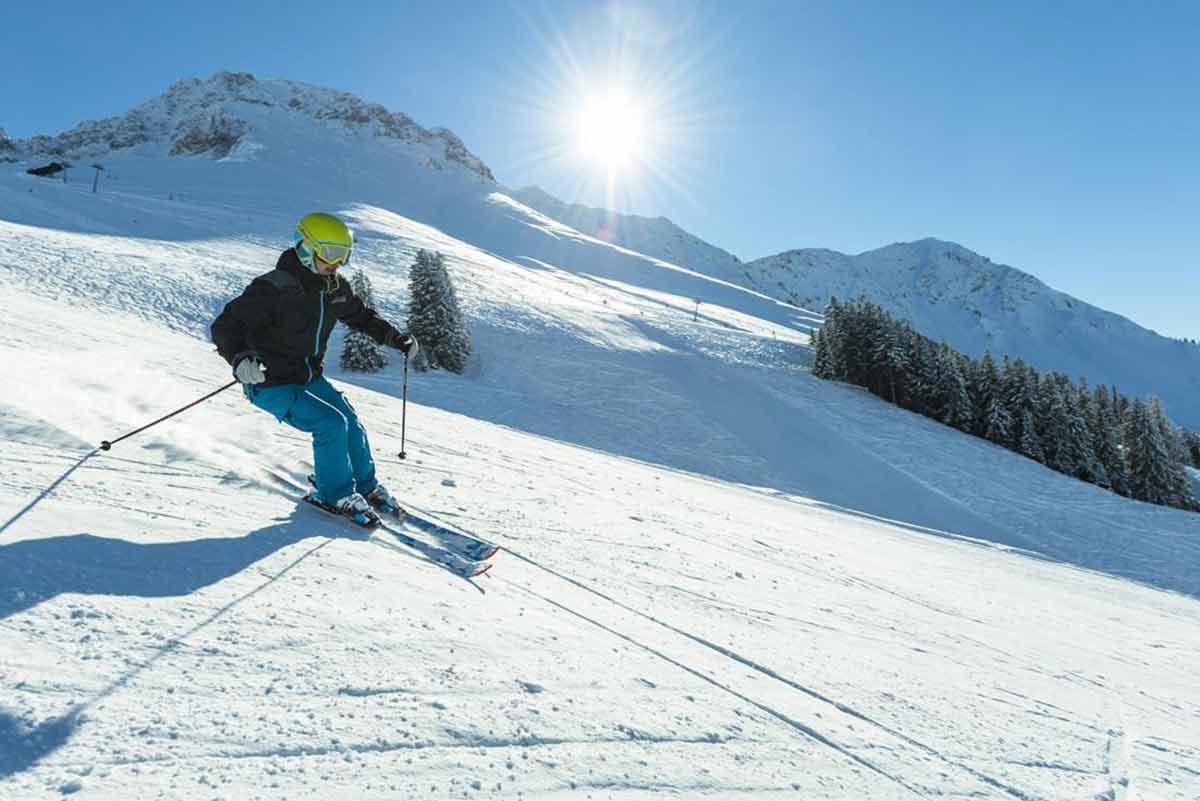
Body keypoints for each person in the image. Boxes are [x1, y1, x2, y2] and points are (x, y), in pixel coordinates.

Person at [211, 212, 418, 525]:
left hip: (308, 377)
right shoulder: (274, 288)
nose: (337, 262)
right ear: (306, 248)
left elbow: (361, 317)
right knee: (330, 424)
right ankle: (332, 493)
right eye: (331, 253)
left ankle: (366, 486)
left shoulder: (334, 288)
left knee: (349, 421)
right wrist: (241, 358)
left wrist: (394, 338)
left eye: (343, 254)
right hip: (270, 382)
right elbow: (227, 325)